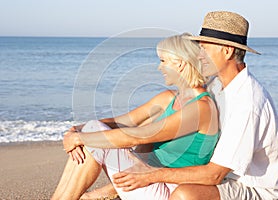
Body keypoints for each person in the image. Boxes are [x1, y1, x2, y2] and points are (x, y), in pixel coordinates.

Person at [112, 11, 278, 200]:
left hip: (250, 186)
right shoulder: (217, 84)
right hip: (222, 174)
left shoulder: (248, 103)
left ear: (227, 51)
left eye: (204, 48)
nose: (199, 55)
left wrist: (152, 175)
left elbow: (215, 174)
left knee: (185, 195)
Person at [51, 33, 220, 200]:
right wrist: (76, 131)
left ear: (180, 64)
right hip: (144, 180)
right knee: (92, 129)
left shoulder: (200, 108)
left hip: (167, 190)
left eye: (163, 61)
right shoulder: (169, 98)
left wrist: (80, 138)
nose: (159, 67)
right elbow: (122, 122)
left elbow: (140, 136)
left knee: (93, 133)